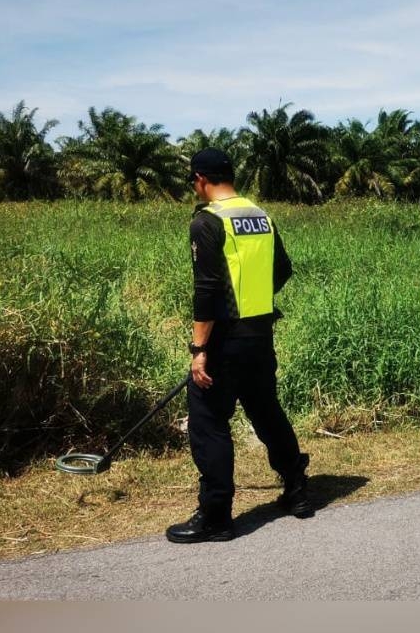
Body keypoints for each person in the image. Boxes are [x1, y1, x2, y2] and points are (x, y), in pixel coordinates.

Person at [166, 148, 311, 544]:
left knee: (208, 422)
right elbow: (282, 269)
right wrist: (254, 303)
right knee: (266, 411)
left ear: (200, 179)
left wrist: (199, 349)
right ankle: (297, 489)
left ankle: (215, 516)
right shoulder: (260, 216)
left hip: (224, 340)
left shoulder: (206, 221)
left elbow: (207, 290)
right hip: (260, 335)